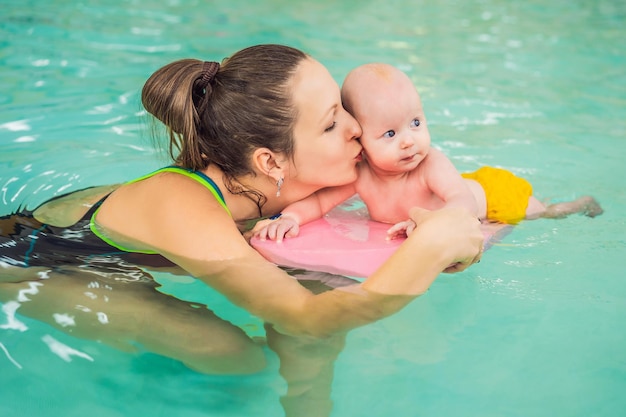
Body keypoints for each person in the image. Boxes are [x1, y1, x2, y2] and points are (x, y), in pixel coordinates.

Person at [0, 45, 484, 416]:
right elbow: (305, 318)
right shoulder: (182, 204)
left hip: (115, 251)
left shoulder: (292, 189)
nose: (358, 127)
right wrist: (432, 248)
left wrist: (307, 396)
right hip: (31, 260)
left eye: (344, 109)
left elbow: (313, 315)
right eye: (332, 123)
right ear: (271, 161)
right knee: (233, 357)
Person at [253, 63, 603, 242]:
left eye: (416, 123)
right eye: (390, 133)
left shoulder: (430, 164)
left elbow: (463, 203)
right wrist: (290, 219)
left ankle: (579, 204)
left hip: (493, 196)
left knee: (546, 213)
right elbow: (319, 203)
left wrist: (428, 221)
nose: (409, 141)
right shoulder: (361, 174)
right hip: (463, 191)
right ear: (360, 139)